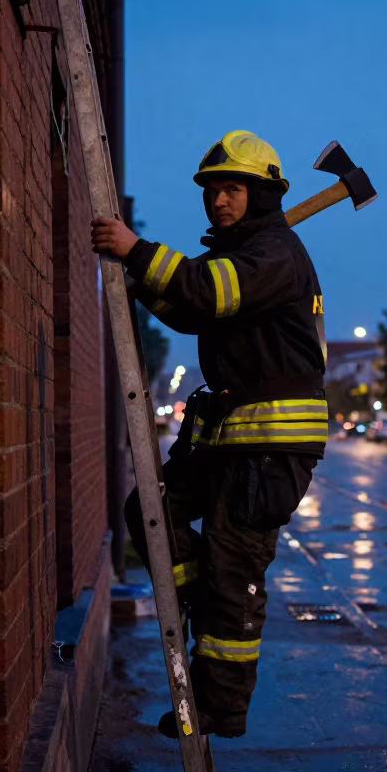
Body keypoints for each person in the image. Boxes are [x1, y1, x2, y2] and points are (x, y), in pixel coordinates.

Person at [91, 130, 328, 739]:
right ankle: (192, 594)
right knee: (149, 508)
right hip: (229, 441)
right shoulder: (246, 255)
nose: (220, 201)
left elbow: (209, 291)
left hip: (269, 449)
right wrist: (142, 276)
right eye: (213, 191)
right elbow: (194, 307)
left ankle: (220, 708)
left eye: (233, 190)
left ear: (263, 194)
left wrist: (136, 249)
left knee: (235, 573)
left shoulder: (275, 254)